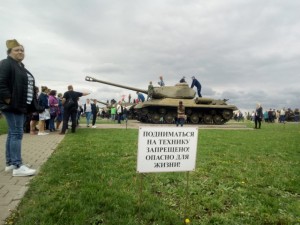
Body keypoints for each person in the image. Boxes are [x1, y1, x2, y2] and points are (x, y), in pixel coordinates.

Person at [0, 39, 36, 176]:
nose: (20, 52)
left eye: (22, 50)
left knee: (12, 133)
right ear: (9, 52)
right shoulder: (6, 63)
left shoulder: (19, 65)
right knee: (16, 133)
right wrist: (9, 100)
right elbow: (1, 83)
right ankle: (17, 165)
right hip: (12, 105)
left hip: (19, 105)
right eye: (17, 50)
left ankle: (10, 163)